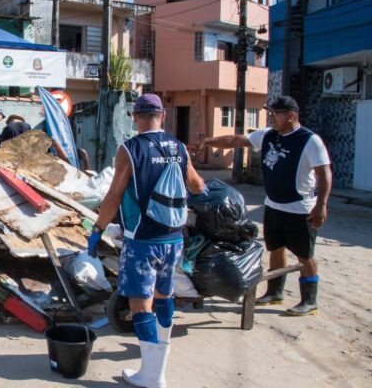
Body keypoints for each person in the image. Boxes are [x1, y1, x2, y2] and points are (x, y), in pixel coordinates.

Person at [88, 94, 205, 387]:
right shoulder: (179, 147)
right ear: (162, 116)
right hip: (174, 239)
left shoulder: (130, 149)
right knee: (165, 296)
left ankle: (151, 376)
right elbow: (197, 184)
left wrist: (97, 229)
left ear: (135, 117)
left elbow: (114, 195)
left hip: (142, 240)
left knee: (141, 305)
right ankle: (159, 365)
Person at [191, 95, 331, 316]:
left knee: (304, 254)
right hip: (274, 206)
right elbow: (236, 141)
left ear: (291, 115)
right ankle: (275, 292)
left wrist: (321, 205)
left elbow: (324, 174)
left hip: (300, 208)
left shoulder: (309, 140)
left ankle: (310, 300)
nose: (271, 117)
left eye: (275, 113)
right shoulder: (268, 135)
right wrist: (207, 142)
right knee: (275, 249)